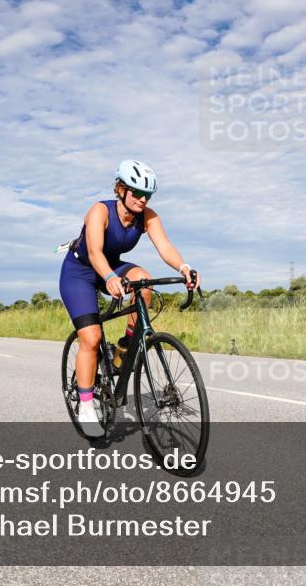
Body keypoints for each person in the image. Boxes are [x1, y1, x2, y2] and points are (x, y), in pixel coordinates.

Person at [59, 160, 200, 438]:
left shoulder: (147, 216)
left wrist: (184, 268)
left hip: (112, 267)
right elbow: (96, 252)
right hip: (80, 272)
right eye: (136, 192)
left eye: (147, 194)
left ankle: (125, 349)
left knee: (144, 282)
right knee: (91, 338)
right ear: (121, 189)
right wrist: (110, 276)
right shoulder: (100, 211)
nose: (142, 199)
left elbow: (165, 246)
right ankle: (87, 406)